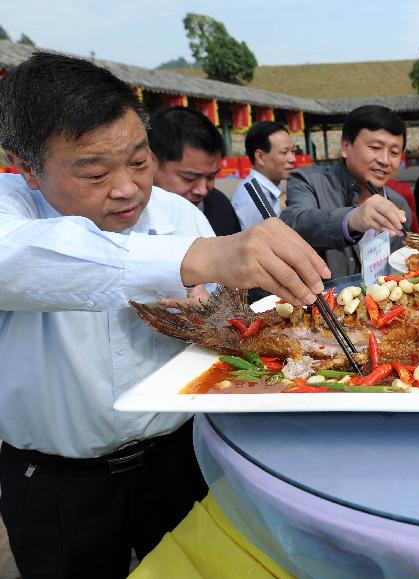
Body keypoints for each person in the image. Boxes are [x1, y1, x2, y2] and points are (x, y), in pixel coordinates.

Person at [0, 52, 329, 578]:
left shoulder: (176, 214)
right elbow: (17, 259)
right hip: (59, 484)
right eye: (95, 172)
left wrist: (215, 311)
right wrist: (200, 258)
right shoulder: (10, 208)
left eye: (138, 159)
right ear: (26, 168)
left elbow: (219, 321)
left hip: (177, 458)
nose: (128, 187)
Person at [282, 104, 412, 277]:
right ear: (345, 147)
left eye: (394, 153)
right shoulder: (308, 181)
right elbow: (293, 223)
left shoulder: (398, 204)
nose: (385, 160)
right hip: (323, 301)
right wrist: (352, 219)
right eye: (375, 148)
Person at [149, 106, 241, 237]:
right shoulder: (128, 220)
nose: (202, 190)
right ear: (150, 162)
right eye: (189, 178)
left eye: (211, 177)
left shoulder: (219, 205)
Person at [233, 121, 297, 229]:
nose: (292, 159)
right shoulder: (252, 196)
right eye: (284, 152)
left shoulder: (265, 191)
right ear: (260, 157)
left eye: (293, 151)